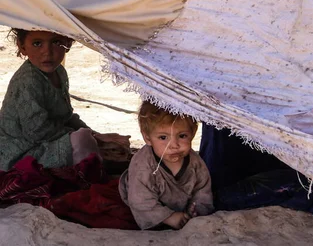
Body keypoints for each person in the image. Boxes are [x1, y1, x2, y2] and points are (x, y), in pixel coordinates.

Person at [0, 29, 100, 171]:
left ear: (68, 44)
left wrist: (95, 134)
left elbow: (66, 116)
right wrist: (89, 137)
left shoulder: (59, 72)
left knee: (90, 138)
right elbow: (37, 132)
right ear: (22, 47)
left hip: (43, 143)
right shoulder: (28, 80)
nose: (47, 52)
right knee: (83, 140)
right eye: (37, 43)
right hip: (19, 153)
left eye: (56, 42)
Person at [119, 101, 213, 230]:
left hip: (182, 205)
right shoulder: (143, 165)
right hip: (145, 202)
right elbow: (140, 201)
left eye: (182, 136)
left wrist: (197, 210)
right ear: (147, 137)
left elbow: (203, 189)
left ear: (193, 133)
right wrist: (169, 217)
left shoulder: (195, 162)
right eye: (163, 137)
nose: (174, 145)